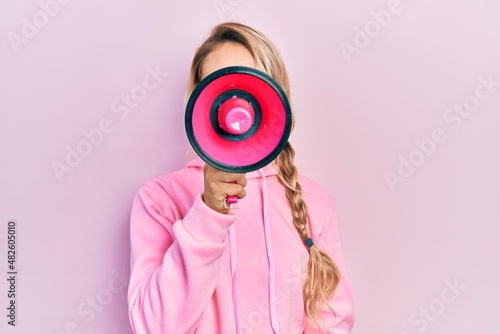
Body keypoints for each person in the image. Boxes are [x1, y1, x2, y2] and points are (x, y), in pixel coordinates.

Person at [127, 22, 354, 334]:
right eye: (219, 87)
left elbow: (332, 319)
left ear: (276, 95)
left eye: (249, 84)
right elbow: (155, 327)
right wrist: (208, 213)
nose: (236, 100)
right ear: (198, 102)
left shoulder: (315, 202)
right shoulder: (159, 199)